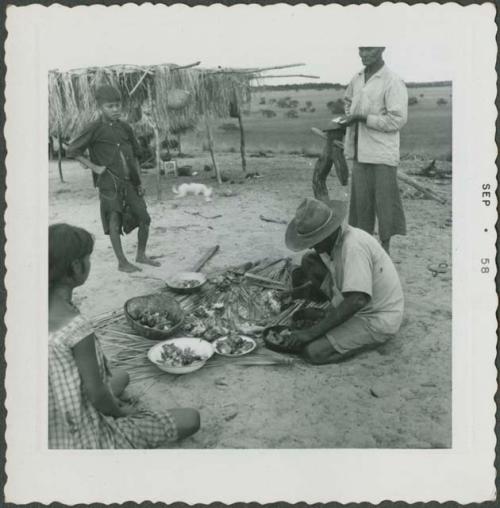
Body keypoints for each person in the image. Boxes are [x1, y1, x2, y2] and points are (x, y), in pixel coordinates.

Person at [48, 223, 200, 448]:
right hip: (79, 434)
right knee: (191, 418)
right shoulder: (77, 328)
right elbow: (97, 395)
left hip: (52, 414)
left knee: (121, 376)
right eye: (88, 258)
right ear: (76, 266)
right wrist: (120, 412)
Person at [281, 198, 404, 365]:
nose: (311, 246)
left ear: (328, 232)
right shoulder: (336, 241)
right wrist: (296, 293)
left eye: (315, 241)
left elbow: (357, 300)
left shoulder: (353, 247)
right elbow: (333, 278)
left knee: (313, 353)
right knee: (310, 260)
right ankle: (334, 320)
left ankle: (370, 342)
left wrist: (311, 333)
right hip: (359, 303)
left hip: (377, 318)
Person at [66, 85, 160, 273]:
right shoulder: (93, 128)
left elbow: (135, 156)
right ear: (101, 107)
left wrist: (139, 182)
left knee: (144, 217)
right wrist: (95, 167)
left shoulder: (125, 127)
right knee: (114, 219)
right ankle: (122, 262)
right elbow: (72, 150)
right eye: (110, 106)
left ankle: (141, 255)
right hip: (108, 182)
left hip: (130, 182)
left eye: (118, 105)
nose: (115, 109)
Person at [341, 47, 408, 254]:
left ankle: (384, 251)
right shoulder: (358, 77)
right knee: (361, 204)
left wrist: (362, 118)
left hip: (381, 153)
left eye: (368, 50)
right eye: (361, 50)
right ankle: (364, 249)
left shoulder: (391, 80)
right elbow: (348, 101)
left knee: (385, 204)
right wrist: (350, 114)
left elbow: (397, 120)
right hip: (360, 151)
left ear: (381, 50)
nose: (363, 54)